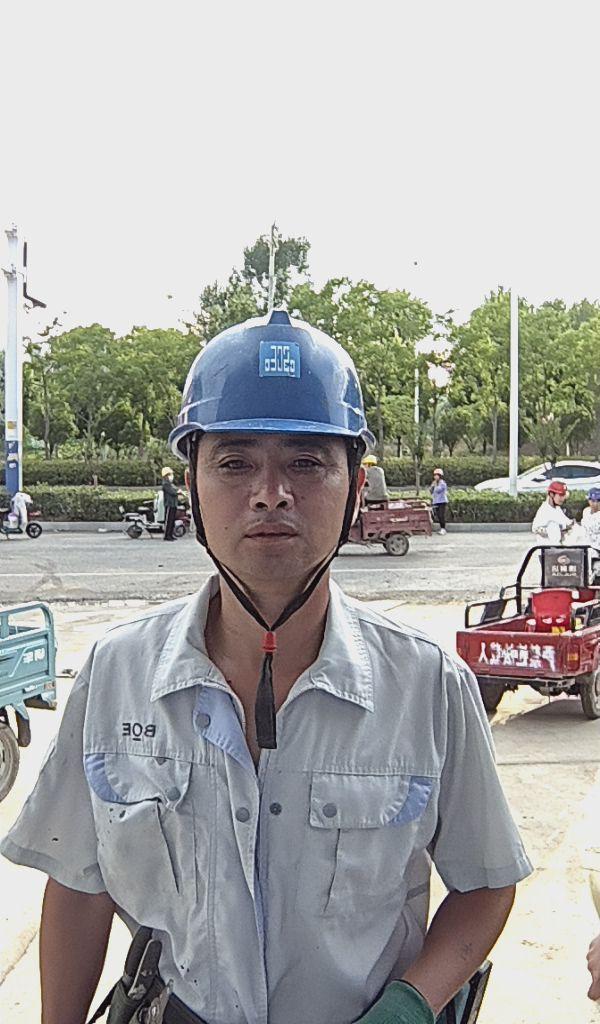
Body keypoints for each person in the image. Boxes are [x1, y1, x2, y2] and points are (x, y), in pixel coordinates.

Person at [1, 310, 532, 1024]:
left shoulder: (428, 685)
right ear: (192, 484)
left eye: (306, 462)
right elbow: (78, 883)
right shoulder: (116, 673)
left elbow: (486, 881)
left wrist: (411, 1004)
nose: (270, 493)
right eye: (235, 463)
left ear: (355, 487)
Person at [531, 480, 575, 546]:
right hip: (547, 548)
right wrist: (558, 529)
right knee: (553, 525)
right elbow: (535, 529)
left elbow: (568, 523)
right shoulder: (544, 510)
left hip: (559, 548)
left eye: (564, 495)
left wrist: (571, 525)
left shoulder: (557, 508)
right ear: (551, 494)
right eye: (560, 495)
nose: (563, 498)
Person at [161, 465, 179, 541]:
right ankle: (167, 535)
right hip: (169, 504)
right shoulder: (165, 483)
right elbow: (173, 492)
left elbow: (175, 489)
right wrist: (178, 492)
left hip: (173, 504)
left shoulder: (170, 483)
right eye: (170, 474)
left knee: (172, 521)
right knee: (168, 521)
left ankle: (170, 535)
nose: (171, 476)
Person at [430, 469, 448, 535]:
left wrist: (435, 485)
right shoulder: (434, 483)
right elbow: (431, 491)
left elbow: (438, 490)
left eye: (437, 475)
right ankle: (441, 528)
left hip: (442, 501)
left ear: (440, 476)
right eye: (434, 475)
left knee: (441, 515)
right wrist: (432, 487)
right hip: (436, 501)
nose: (435, 477)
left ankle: (443, 529)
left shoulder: (442, 483)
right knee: (438, 516)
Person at [581, 486, 600, 552]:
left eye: (598, 501)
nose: (595, 503)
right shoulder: (586, 511)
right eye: (592, 500)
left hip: (597, 548)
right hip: (585, 547)